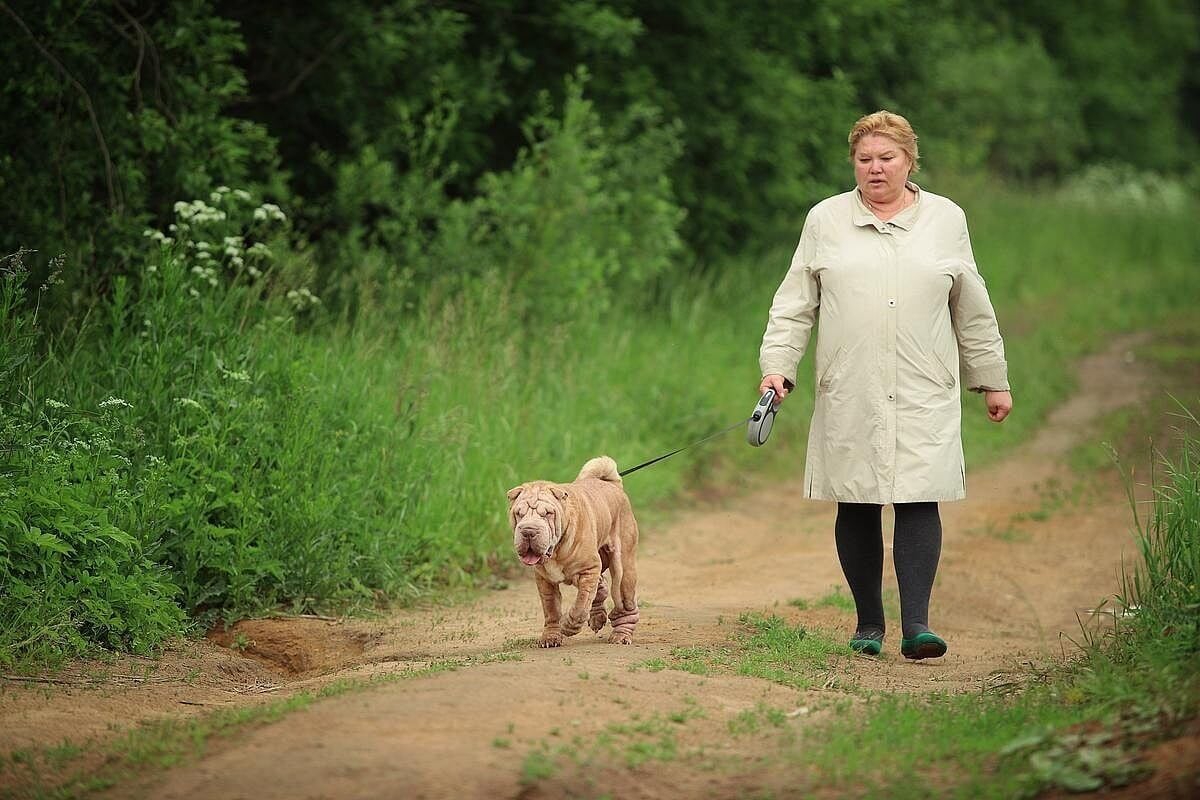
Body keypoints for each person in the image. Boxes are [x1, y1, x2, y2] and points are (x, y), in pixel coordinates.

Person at [758, 110, 1013, 660]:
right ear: (854, 163)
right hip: (850, 384)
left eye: (887, 158)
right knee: (856, 498)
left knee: (919, 496)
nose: (875, 169)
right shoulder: (826, 220)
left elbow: (971, 305)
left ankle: (917, 626)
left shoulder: (946, 219)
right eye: (865, 159)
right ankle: (868, 623)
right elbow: (794, 304)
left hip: (925, 383)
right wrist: (779, 366)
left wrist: (992, 378)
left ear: (909, 160)